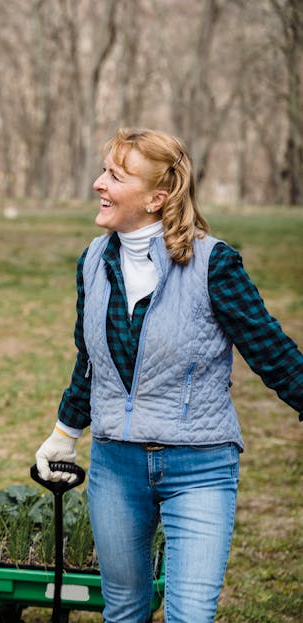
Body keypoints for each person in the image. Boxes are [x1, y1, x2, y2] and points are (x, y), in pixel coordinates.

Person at [33, 128, 302, 623]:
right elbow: (90, 362)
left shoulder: (214, 264)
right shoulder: (92, 262)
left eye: (115, 176)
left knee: (190, 616)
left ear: (157, 198)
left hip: (198, 467)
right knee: (125, 612)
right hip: (116, 468)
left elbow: (273, 353)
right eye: (103, 172)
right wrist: (63, 435)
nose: (98, 183)